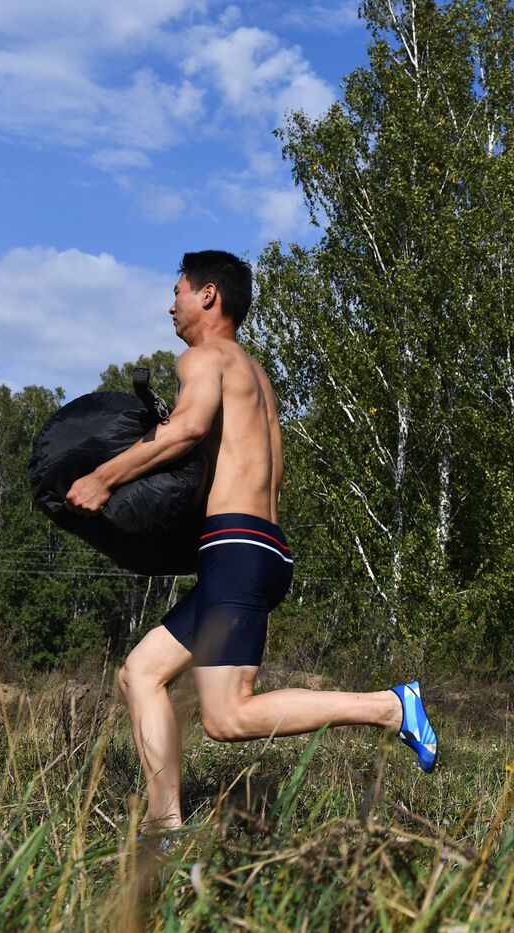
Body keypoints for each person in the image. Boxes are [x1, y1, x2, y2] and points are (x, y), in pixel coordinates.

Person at [65, 251, 437, 837]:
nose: (171, 304)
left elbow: (187, 429)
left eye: (178, 290)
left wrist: (102, 478)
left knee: (227, 716)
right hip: (253, 546)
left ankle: (390, 707)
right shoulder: (253, 373)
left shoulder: (204, 357)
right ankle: (165, 827)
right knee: (140, 673)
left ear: (208, 295)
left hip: (236, 546)